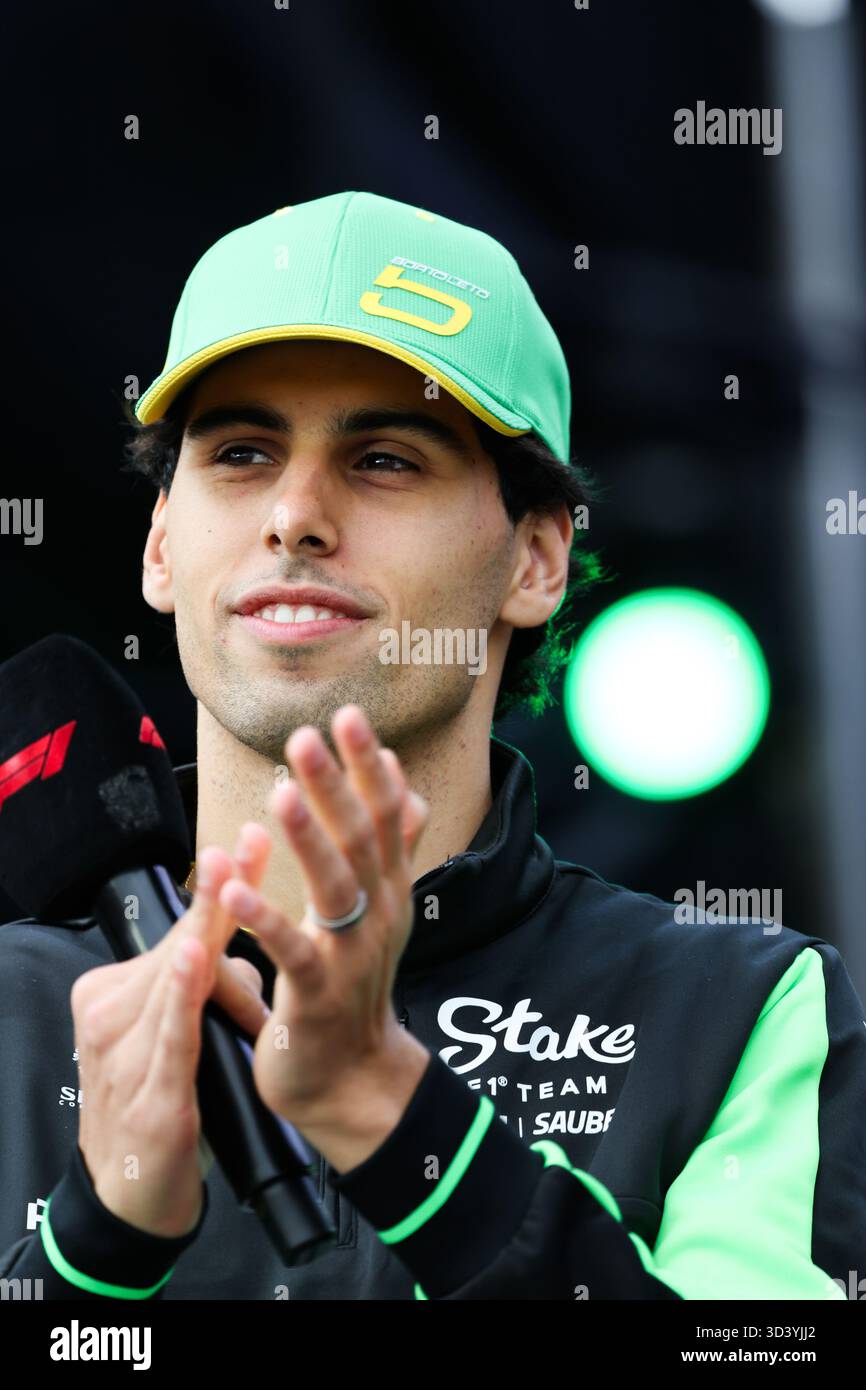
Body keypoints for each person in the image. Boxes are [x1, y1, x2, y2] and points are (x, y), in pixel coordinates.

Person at [1, 190, 864, 1301]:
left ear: (536, 561)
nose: (295, 515)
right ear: (162, 542)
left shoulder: (743, 1008)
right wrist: (94, 1249)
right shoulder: (13, 1008)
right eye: (242, 451)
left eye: (385, 459)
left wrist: (400, 1128)